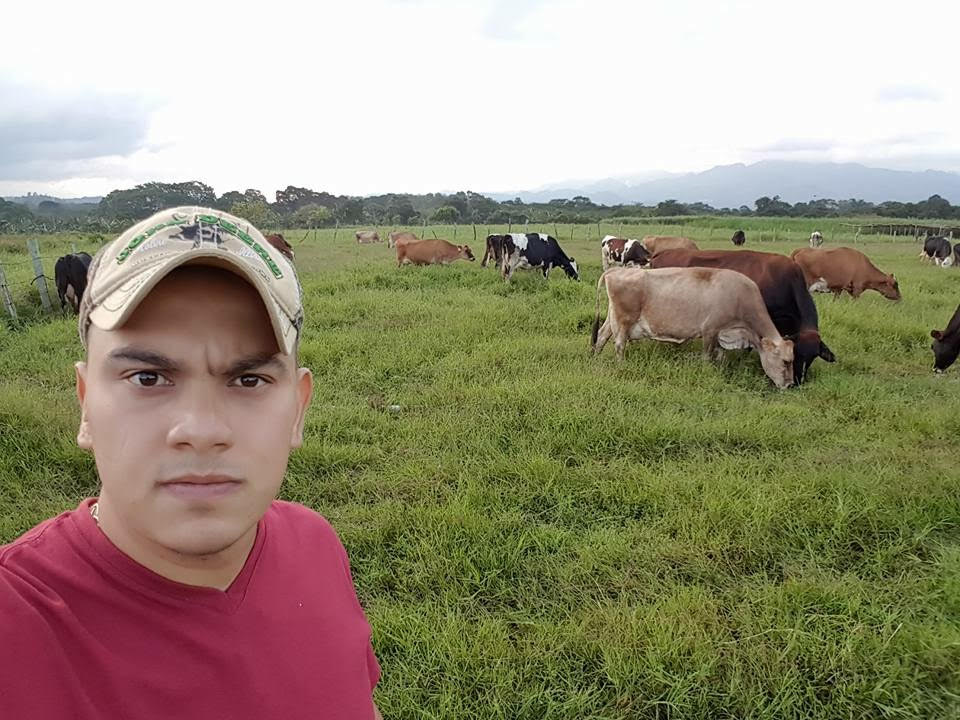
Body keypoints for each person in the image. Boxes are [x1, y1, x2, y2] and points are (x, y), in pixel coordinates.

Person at [0, 207, 382, 719]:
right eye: (147, 378)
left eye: (248, 380)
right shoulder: (18, 620)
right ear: (86, 404)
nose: (202, 431)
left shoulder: (315, 543)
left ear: (297, 410)